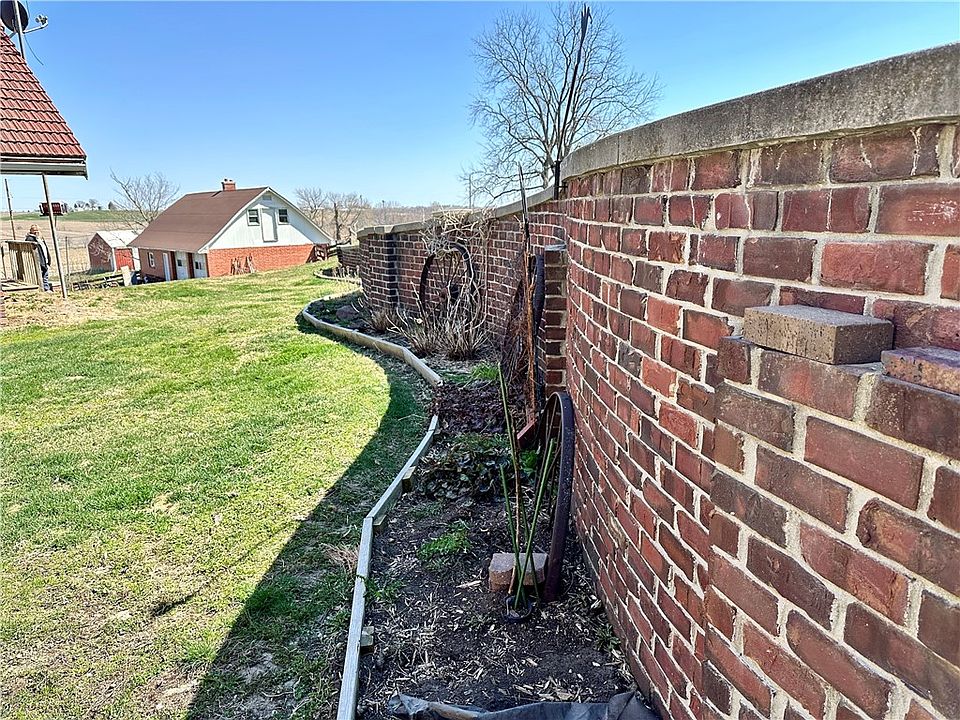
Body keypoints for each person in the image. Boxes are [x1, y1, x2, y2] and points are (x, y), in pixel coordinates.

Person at [25, 224, 52, 292]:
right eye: (34, 230)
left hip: (44, 260)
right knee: (42, 275)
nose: (36, 232)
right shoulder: (30, 239)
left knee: (45, 275)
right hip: (38, 260)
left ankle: (45, 288)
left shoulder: (39, 239)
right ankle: (45, 288)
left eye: (38, 230)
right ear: (31, 231)